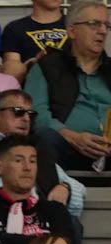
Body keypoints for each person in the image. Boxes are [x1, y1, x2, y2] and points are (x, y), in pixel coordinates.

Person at [25, 3, 111, 170]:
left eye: (106, 25)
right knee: (45, 137)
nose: (103, 31)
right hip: (67, 146)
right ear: (72, 31)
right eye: (94, 24)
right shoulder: (47, 66)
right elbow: (36, 112)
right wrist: (73, 137)